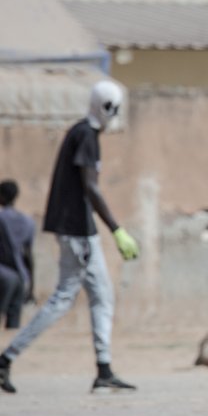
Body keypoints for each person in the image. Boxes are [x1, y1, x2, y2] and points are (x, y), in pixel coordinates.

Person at [0, 80, 141, 395]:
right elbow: (90, 187)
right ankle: (6, 358)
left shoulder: (81, 133)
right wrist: (117, 230)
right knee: (64, 298)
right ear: (107, 107)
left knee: (102, 296)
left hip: (79, 229)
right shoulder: (86, 135)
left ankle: (104, 370)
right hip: (78, 231)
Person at [0, 180, 35, 329]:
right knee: (13, 325)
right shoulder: (28, 222)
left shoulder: (1, 218)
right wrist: (31, 286)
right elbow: (29, 256)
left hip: (3, 274)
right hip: (21, 277)